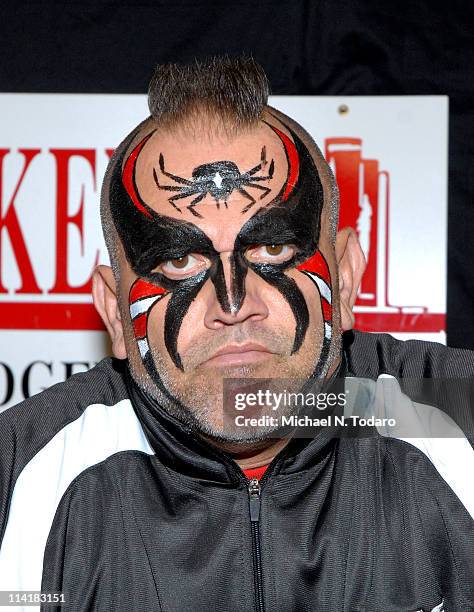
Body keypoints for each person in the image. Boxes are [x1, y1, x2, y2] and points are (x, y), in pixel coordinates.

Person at [0, 56, 473, 612]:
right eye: (177, 260)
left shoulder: (458, 421)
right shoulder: (18, 477)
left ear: (344, 280)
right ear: (113, 314)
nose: (233, 304)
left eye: (273, 248)